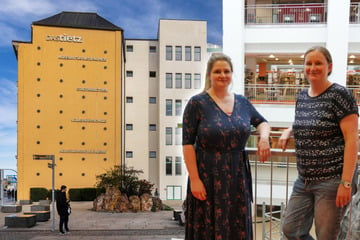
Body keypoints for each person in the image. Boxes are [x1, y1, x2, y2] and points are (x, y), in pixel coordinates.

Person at [182, 53, 271, 240]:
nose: (222, 75)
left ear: (232, 74)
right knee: (207, 227)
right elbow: (188, 144)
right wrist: (195, 180)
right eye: (217, 71)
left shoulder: (243, 102)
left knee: (235, 225)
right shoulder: (197, 103)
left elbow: (262, 122)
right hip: (207, 176)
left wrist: (264, 138)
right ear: (209, 75)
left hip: (237, 176)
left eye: (226, 71)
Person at [279, 46, 359, 240]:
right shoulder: (302, 96)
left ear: (328, 66)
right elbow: (305, 123)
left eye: (318, 63)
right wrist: (289, 130)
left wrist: (346, 183)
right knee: (291, 230)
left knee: (326, 235)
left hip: (332, 180)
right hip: (304, 180)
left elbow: (352, 140)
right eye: (309, 63)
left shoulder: (340, 95)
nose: (312, 68)